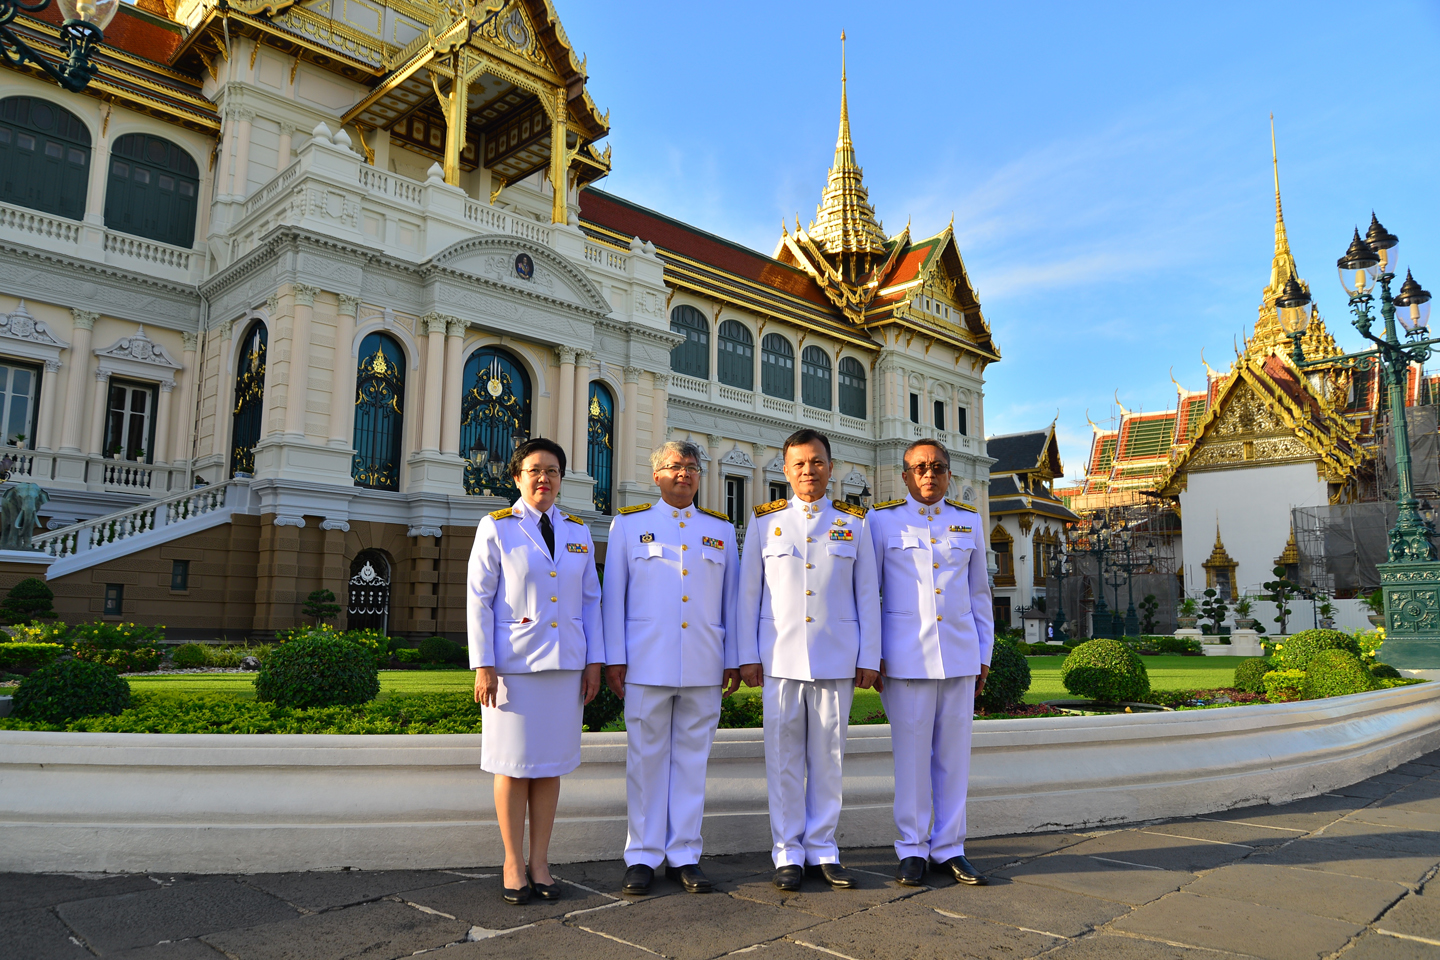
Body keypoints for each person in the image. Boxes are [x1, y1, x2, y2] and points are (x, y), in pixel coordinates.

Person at [737, 428, 881, 890]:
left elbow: (867, 595)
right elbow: (748, 594)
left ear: (831, 467)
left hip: (836, 656)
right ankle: (787, 852)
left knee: (829, 757)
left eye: (816, 462)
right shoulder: (765, 521)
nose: (808, 471)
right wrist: (746, 655)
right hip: (779, 658)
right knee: (782, 758)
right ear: (785, 470)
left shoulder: (854, 523)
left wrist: (870, 656)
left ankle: (822, 847)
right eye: (798, 463)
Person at [467, 437, 604, 905]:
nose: (544, 478)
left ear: (561, 479)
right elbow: (479, 600)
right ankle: (512, 862)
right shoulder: (496, 527)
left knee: (549, 768)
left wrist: (593, 662)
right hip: (513, 669)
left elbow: (591, 601)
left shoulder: (577, 530)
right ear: (517, 477)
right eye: (534, 470)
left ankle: (540, 862)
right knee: (511, 767)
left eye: (552, 471)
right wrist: (484, 665)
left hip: (566, 666)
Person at [603, 440, 741, 895]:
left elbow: (732, 601)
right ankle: (642, 856)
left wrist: (733, 659)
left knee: (692, 763)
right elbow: (613, 598)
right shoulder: (629, 525)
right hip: (646, 662)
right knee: (645, 763)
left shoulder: (720, 529)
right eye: (674, 466)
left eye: (692, 467)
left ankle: (684, 854)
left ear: (700, 476)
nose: (684, 473)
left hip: (704, 662)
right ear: (656, 475)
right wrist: (615, 658)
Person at [866, 438, 993, 887]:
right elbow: (868, 593)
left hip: (959, 656)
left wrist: (984, 654)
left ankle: (950, 846)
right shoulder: (881, 521)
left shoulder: (968, 520)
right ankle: (912, 847)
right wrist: (872, 654)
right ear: (904, 476)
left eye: (937, 467)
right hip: (904, 658)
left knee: (954, 760)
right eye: (919, 467)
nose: (929, 474)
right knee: (912, 759)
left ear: (949, 474)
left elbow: (980, 594)